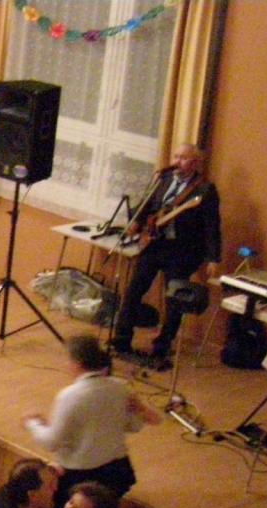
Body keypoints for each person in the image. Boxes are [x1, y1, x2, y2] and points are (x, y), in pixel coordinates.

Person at [24, 334, 161, 508]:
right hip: (114, 471)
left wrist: (34, 424)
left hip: (78, 476)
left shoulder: (70, 396)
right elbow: (134, 425)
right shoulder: (120, 387)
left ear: (77, 362)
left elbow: (53, 441)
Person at [109, 144, 222, 371]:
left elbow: (212, 226)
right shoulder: (164, 179)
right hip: (154, 245)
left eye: (184, 158)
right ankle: (121, 339)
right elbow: (148, 203)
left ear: (195, 163)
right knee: (134, 290)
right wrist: (136, 222)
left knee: (174, 301)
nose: (177, 161)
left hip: (181, 251)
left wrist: (213, 258)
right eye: (176, 156)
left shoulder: (205, 190)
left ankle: (162, 346)